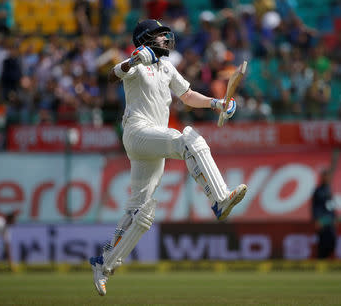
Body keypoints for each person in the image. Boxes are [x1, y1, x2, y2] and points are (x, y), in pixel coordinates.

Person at [89, 19, 247, 296]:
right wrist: (134, 60)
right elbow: (113, 75)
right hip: (138, 132)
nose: (166, 39)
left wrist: (216, 103)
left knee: (141, 211)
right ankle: (219, 198)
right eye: (160, 36)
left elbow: (186, 96)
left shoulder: (166, 67)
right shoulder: (137, 63)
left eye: (166, 35)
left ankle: (104, 264)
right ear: (146, 39)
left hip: (153, 139)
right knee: (188, 138)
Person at [311, 168, 337, 259]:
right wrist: (317, 219)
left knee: (332, 240)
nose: (327, 178)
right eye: (325, 176)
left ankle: (327, 258)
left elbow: (331, 205)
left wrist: (334, 217)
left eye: (328, 176)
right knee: (322, 241)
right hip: (322, 219)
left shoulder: (329, 190)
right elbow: (314, 207)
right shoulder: (318, 190)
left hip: (329, 219)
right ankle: (321, 260)